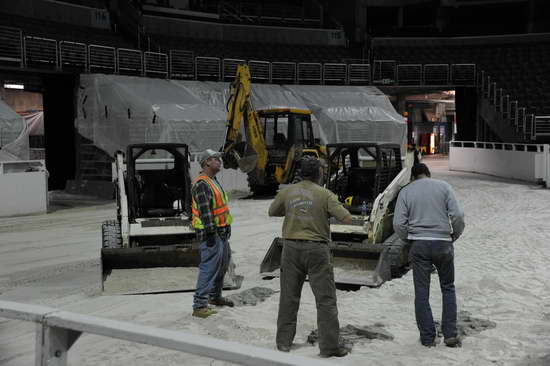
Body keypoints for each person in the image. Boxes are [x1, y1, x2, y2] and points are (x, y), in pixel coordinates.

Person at [268, 156, 353, 358]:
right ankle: (329, 347)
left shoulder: (287, 192)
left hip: (290, 248)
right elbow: (346, 218)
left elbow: (273, 211)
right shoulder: (325, 194)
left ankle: (283, 343)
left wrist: (294, 210)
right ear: (319, 173)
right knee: (325, 300)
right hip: (317, 250)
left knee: (288, 297)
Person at [393, 163, 465, 348]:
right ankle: (450, 335)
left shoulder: (406, 191)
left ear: (413, 177)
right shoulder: (444, 187)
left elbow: (398, 224)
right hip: (443, 243)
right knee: (448, 287)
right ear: (428, 174)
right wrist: (454, 235)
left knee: (422, 293)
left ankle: (427, 338)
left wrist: (410, 239)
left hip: (419, 245)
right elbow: (457, 215)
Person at [191, 149, 234, 318]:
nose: (220, 161)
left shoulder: (213, 180)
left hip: (221, 233)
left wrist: (226, 229)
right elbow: (205, 212)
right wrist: (212, 233)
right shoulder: (202, 184)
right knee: (209, 268)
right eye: (216, 159)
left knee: (222, 266)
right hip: (212, 234)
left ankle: (215, 297)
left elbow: (220, 208)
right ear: (207, 162)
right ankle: (199, 305)